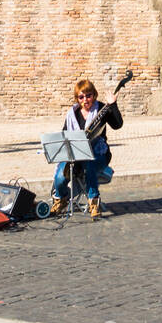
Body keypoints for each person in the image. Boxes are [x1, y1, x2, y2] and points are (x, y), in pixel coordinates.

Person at [49, 79, 114, 219]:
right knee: (60, 177)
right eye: (81, 97)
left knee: (89, 165)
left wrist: (113, 105)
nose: (86, 100)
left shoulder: (102, 109)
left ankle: (93, 202)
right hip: (74, 154)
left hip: (98, 153)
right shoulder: (72, 114)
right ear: (77, 98)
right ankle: (61, 199)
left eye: (89, 95)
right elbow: (65, 134)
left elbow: (117, 124)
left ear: (94, 95)